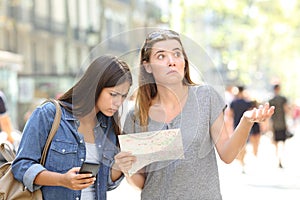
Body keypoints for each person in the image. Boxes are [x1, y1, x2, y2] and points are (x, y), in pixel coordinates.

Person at [114, 29, 275, 199]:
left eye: (177, 54)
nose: (171, 61)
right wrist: (127, 170)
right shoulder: (136, 115)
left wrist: (246, 121)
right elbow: (142, 182)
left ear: (184, 61)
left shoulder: (206, 97)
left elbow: (228, 155)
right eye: (161, 56)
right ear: (147, 66)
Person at [12, 55, 132, 200]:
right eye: (113, 94)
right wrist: (61, 180)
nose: (118, 102)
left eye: (123, 96)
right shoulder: (49, 114)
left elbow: (105, 183)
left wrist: (120, 166)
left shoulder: (108, 126)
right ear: (95, 86)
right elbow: (21, 166)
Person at [269, 83, 290, 168]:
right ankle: (281, 159)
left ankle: (278, 159)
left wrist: (269, 126)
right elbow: (287, 110)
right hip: (282, 124)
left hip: (274, 125)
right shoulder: (283, 99)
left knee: (276, 144)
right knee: (283, 143)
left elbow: (269, 115)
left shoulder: (271, 100)